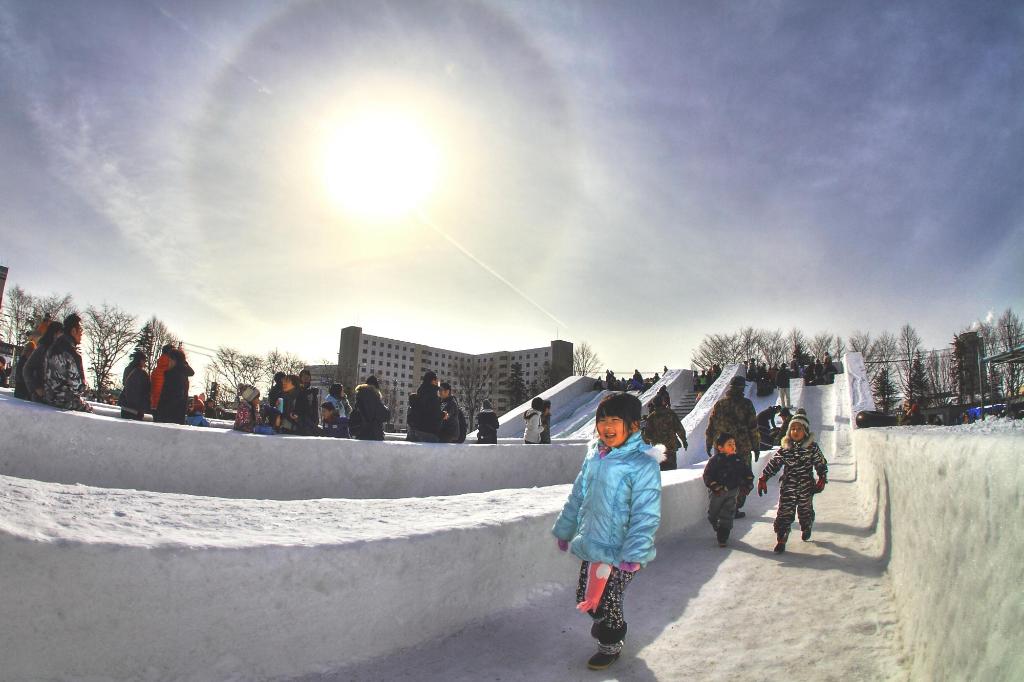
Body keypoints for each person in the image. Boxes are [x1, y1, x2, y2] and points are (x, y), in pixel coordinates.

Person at [552, 393, 663, 671]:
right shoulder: (594, 456)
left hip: (623, 551)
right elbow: (577, 496)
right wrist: (565, 530)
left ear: (634, 426)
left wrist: (634, 554)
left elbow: (646, 514)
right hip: (593, 544)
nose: (607, 426)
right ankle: (605, 623)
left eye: (615, 420)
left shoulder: (643, 464)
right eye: (602, 420)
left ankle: (610, 643)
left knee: (607, 600)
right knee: (586, 600)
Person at [757, 412, 828, 553]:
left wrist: (822, 477)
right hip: (788, 485)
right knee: (784, 512)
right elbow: (774, 463)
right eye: (793, 429)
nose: (795, 431)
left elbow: (820, 462)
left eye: (799, 429)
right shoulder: (785, 448)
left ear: (805, 431)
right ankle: (782, 538)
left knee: (805, 511)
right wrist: (764, 477)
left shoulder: (812, 448)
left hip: (806, 486)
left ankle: (807, 525)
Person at [705, 375, 759, 519]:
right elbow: (753, 428)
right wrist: (756, 446)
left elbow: (711, 426)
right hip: (742, 448)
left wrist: (709, 442)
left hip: (722, 448)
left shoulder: (720, 404)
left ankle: (722, 506)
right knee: (743, 477)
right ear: (742, 388)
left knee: (722, 477)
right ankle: (734, 507)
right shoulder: (746, 404)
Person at [703, 432, 754, 547]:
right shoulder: (714, 461)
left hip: (732, 491)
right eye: (729, 444)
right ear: (720, 448)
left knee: (728, 512)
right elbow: (707, 475)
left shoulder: (738, 460)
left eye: (734, 444)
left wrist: (748, 484)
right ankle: (717, 525)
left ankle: (723, 534)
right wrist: (714, 486)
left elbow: (747, 473)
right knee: (713, 514)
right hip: (717, 493)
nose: (733, 446)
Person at [43, 313, 91, 412]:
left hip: (48, 398)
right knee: (89, 410)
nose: (82, 333)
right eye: (81, 330)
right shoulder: (73, 354)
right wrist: (85, 387)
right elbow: (78, 387)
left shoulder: (52, 348)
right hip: (65, 402)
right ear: (73, 331)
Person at [641, 392, 688, 471]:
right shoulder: (671, 413)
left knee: (661, 471)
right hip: (671, 446)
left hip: (658, 448)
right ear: (663, 402)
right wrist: (684, 441)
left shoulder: (652, 417)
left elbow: (647, 435)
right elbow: (679, 428)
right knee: (671, 470)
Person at [25, 321, 63, 402]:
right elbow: (27, 369)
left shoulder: (58, 351)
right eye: (60, 333)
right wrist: (36, 388)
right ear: (55, 333)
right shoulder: (43, 348)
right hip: (40, 397)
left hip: (53, 397)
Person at [154, 348, 194, 424]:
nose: (168, 363)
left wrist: (159, 414)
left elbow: (172, 397)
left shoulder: (174, 375)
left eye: (169, 360)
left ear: (174, 360)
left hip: (167, 418)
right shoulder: (183, 374)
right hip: (177, 417)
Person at [350, 375, 390, 441]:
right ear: (376, 387)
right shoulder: (374, 397)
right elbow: (385, 415)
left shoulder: (360, 396)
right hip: (373, 434)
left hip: (360, 433)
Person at [407, 371, 442, 442]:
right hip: (428, 432)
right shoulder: (433, 394)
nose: (438, 381)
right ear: (433, 381)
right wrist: (443, 414)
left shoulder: (420, 392)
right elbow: (434, 414)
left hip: (416, 430)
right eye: (436, 380)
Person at [119, 351, 151, 420]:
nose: (144, 363)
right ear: (141, 360)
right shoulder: (143, 374)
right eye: (144, 361)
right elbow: (147, 390)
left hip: (125, 405)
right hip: (136, 410)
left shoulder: (127, 369)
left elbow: (124, 383)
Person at [295, 369, 321, 436]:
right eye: (304, 377)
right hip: (299, 420)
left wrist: (316, 421)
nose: (306, 379)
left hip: (311, 421)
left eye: (308, 377)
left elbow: (315, 407)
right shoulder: (296, 391)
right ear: (300, 378)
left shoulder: (312, 392)